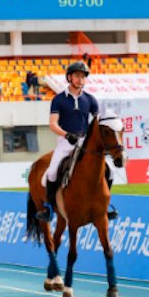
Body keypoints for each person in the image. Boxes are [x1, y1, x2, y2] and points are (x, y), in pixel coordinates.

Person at [35, 61, 98, 223]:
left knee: (109, 171)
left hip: (85, 143)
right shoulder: (59, 100)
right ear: (69, 77)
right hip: (66, 142)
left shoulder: (90, 100)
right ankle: (48, 208)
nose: (80, 79)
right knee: (52, 172)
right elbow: (52, 124)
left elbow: (98, 122)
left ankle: (105, 205)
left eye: (83, 76)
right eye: (77, 76)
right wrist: (67, 134)